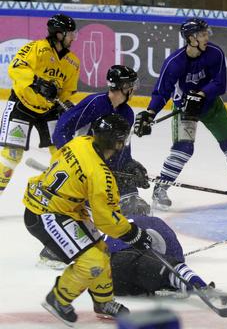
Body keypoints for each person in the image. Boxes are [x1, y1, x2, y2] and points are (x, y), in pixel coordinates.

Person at [22, 113, 153, 326]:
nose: (122, 144)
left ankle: (103, 302)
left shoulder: (82, 142)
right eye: (121, 139)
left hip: (57, 204)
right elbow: (106, 220)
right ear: (114, 141)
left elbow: (87, 172)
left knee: (101, 250)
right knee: (92, 261)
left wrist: (116, 176)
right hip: (45, 213)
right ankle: (59, 299)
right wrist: (133, 234)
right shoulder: (101, 175)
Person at [36, 65, 151, 270]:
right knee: (89, 211)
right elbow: (63, 129)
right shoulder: (95, 103)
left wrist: (130, 168)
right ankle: (56, 249)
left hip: (99, 169)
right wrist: (71, 160)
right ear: (124, 87)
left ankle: (124, 246)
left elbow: (121, 148)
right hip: (78, 166)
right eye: (132, 85)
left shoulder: (127, 113)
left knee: (135, 206)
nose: (134, 89)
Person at [133, 18, 227, 210]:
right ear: (191, 38)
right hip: (185, 109)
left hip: (211, 105)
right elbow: (162, 92)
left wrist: (201, 94)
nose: (207, 37)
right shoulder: (174, 63)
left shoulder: (215, 53)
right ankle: (161, 188)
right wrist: (150, 113)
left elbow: (220, 84)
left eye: (206, 33)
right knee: (183, 149)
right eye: (202, 34)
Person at [0, 14, 79, 196]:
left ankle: (61, 195)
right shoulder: (35, 48)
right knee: (12, 156)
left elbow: (68, 90)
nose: (73, 37)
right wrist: (37, 82)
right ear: (59, 34)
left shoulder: (73, 62)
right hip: (22, 106)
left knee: (62, 153)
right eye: (70, 34)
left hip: (49, 110)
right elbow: (16, 68)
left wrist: (65, 102)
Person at [106, 214, 227, 306]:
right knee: (170, 269)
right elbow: (177, 260)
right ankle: (203, 289)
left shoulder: (118, 221)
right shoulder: (155, 222)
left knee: (149, 277)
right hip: (131, 261)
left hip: (109, 278)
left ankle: (164, 285)